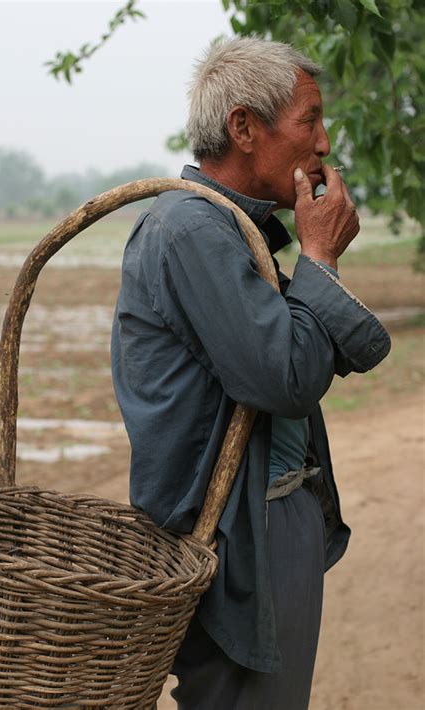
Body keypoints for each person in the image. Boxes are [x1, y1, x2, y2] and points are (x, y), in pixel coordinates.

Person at [111, 38, 391, 709]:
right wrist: (319, 255)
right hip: (239, 533)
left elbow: (319, 349)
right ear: (244, 127)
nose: (323, 144)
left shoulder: (229, 227)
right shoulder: (191, 231)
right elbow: (283, 378)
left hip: (267, 519)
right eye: (310, 120)